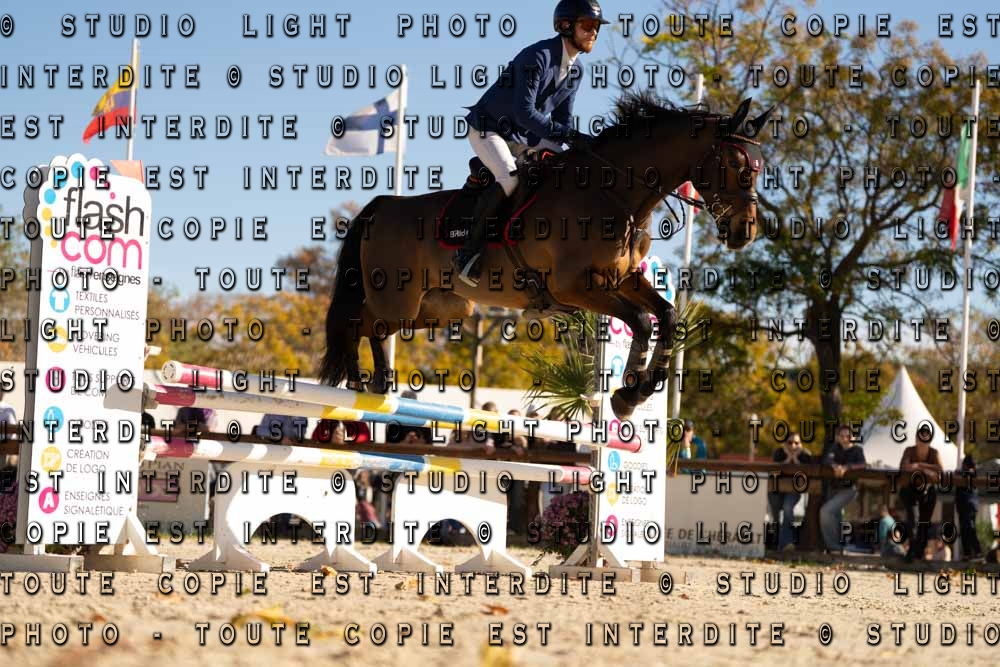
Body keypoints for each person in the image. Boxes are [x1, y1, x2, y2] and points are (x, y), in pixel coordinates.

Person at [453, 0, 607, 286]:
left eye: (597, 27)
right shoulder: (538, 56)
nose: (593, 32)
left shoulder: (577, 71)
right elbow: (524, 113)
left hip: (523, 135)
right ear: (566, 25)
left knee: (563, 168)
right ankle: (468, 253)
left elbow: (562, 119)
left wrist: (578, 146)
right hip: (489, 127)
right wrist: (568, 135)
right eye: (587, 25)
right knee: (510, 178)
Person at [899, 424, 944, 562]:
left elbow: (940, 469)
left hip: (928, 491)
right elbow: (903, 466)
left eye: (926, 439)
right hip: (910, 490)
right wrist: (925, 470)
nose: (923, 442)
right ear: (916, 439)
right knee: (913, 519)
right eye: (920, 438)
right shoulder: (909, 450)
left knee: (924, 522)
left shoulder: (934, 453)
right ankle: (911, 551)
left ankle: (919, 552)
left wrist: (920, 466)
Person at [819, 425, 866, 553]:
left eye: (848, 436)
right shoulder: (835, 447)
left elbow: (862, 465)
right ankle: (838, 547)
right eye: (842, 436)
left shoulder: (857, 450)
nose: (845, 439)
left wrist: (846, 468)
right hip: (833, 487)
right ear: (838, 437)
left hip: (849, 488)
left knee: (825, 512)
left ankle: (833, 546)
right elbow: (827, 460)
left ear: (853, 437)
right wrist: (835, 466)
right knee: (835, 517)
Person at [768, 432, 812, 551]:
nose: (793, 446)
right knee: (775, 514)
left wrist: (795, 459)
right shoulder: (778, 453)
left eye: (796, 443)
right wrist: (788, 458)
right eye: (790, 442)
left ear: (801, 444)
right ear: (784, 444)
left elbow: (805, 474)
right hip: (776, 489)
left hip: (794, 489)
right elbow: (775, 471)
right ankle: (775, 543)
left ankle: (786, 543)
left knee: (788, 507)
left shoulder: (806, 455)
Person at [956, 454, 983, 559]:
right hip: (964, 504)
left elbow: (968, 474)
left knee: (969, 528)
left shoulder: (971, 473)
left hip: (969, 504)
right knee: (965, 529)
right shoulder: (961, 473)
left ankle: (977, 552)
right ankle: (967, 553)